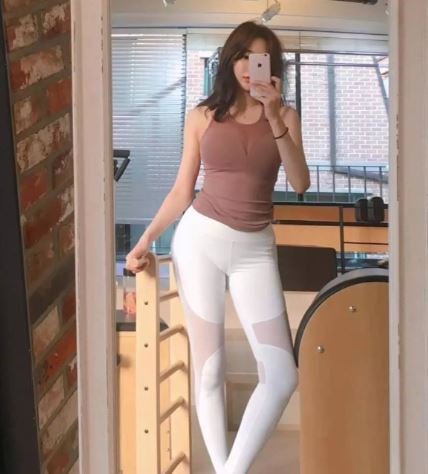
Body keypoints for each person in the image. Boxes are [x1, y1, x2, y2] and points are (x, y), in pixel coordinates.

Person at [126, 20, 310, 474]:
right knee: (209, 370)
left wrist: (273, 116)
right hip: (200, 242)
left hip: (255, 250)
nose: (250, 66)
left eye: (260, 58)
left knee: (281, 376)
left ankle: (229, 471)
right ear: (230, 60)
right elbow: (181, 190)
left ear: (273, 66)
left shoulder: (286, 117)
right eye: (243, 55)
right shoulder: (202, 116)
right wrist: (145, 240)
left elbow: (300, 183)